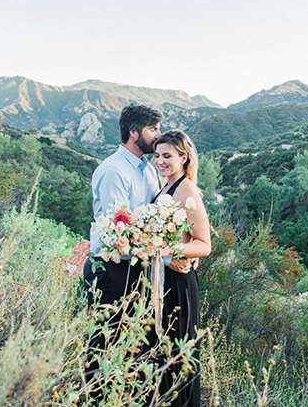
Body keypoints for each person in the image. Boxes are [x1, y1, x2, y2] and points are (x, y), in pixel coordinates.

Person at [152, 129, 211, 407]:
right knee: (162, 355)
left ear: (184, 157)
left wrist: (170, 251)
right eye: (157, 155)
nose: (160, 161)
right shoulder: (165, 187)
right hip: (162, 280)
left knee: (179, 355)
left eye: (167, 156)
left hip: (179, 282)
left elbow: (204, 244)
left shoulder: (187, 190)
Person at [82, 104, 162, 305]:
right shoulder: (114, 171)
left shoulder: (150, 170)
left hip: (138, 266)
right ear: (134, 132)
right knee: (108, 334)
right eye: (153, 129)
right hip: (111, 270)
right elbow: (119, 231)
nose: (158, 135)